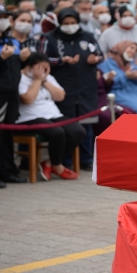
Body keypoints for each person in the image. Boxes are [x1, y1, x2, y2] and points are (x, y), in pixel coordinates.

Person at [37, 7, 102, 171]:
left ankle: (86, 159)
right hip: (62, 87)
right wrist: (61, 60)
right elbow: (40, 59)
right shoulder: (49, 38)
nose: (70, 26)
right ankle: (63, 160)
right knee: (67, 125)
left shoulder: (88, 36)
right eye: (66, 23)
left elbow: (99, 53)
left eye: (73, 23)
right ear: (60, 23)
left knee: (86, 123)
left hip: (85, 85)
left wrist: (95, 59)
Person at [17, 52, 85, 181]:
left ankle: (49, 163)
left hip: (52, 114)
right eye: (41, 68)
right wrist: (37, 80)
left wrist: (44, 80)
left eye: (47, 68)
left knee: (78, 131)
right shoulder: (20, 78)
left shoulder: (48, 77)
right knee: (57, 132)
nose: (45, 71)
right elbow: (28, 99)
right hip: (30, 117)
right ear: (31, 66)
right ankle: (57, 166)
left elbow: (60, 96)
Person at [0, 4, 30, 188]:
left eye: (5, 16)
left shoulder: (10, 40)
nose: (2, 19)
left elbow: (15, 68)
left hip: (11, 92)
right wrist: (1, 59)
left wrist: (22, 60)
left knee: (8, 133)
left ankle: (7, 170)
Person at [98, 5, 137, 100]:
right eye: (124, 15)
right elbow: (101, 52)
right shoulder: (108, 33)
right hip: (117, 74)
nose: (128, 18)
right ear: (118, 16)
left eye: (130, 15)